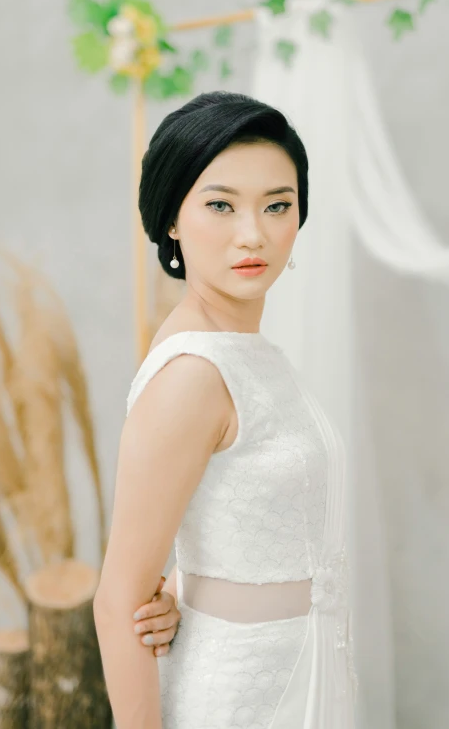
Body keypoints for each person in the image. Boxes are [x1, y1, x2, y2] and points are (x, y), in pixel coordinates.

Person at [93, 90, 357, 729]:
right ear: (173, 220)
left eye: (277, 205)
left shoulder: (250, 351)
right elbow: (117, 598)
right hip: (242, 695)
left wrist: (186, 588)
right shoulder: (192, 372)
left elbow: (245, 517)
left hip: (308, 666)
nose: (254, 234)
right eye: (220, 204)